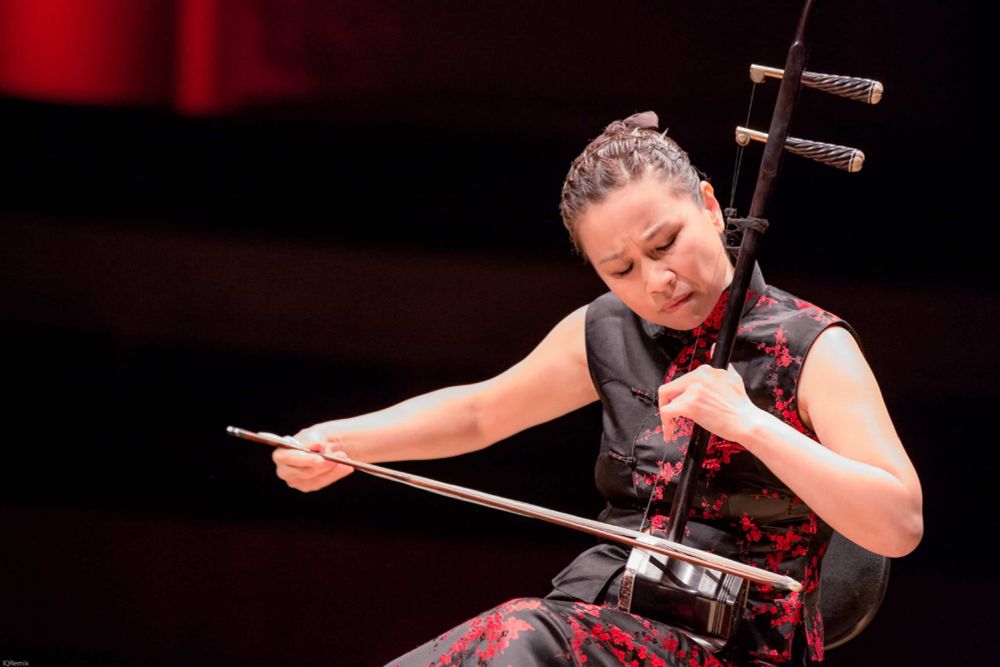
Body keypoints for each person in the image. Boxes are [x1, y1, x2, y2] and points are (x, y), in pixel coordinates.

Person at [271, 111, 923, 666]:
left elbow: (898, 522)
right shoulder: (607, 329)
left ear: (705, 202)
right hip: (613, 617)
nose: (657, 280)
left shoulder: (812, 344)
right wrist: (341, 442)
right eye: (623, 269)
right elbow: (479, 412)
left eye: (665, 244)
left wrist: (750, 422)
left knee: (521, 639)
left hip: (743, 643)